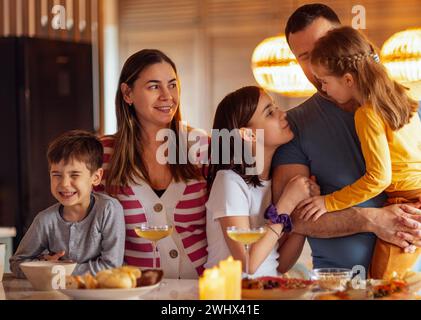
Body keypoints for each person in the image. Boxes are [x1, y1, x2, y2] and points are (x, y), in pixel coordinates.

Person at [271, 3, 421, 273]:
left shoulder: (407, 104)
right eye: (305, 56)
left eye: (323, 44)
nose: (318, 60)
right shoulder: (291, 126)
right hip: (337, 282)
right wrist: (369, 219)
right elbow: (292, 218)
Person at [98, 49, 208, 279]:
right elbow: (86, 225)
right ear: (128, 94)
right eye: (154, 86)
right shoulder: (103, 153)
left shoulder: (203, 147)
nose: (167, 96)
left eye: (172, 85)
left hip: (201, 290)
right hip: (133, 292)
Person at [205, 86, 320, 277]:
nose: (283, 114)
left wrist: (301, 216)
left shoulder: (271, 182)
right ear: (248, 134)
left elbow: (279, 265)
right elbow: (247, 264)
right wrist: (288, 203)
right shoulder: (229, 182)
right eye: (270, 113)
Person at [10, 130, 125, 278]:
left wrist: (60, 270)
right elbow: (17, 263)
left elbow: (112, 267)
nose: (64, 184)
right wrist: (43, 265)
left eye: (74, 175)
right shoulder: (45, 220)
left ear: (96, 177)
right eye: (56, 175)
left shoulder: (109, 210)